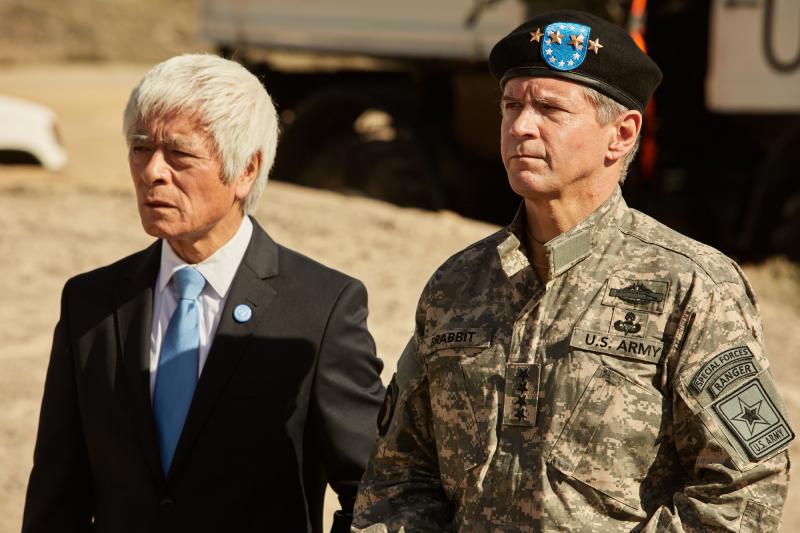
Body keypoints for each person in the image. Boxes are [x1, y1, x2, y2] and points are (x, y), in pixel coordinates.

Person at [353, 10, 792, 532]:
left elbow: (746, 485)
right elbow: (400, 473)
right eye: (511, 105)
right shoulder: (457, 285)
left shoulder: (691, 286)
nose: (520, 126)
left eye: (549, 109)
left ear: (621, 134)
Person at [22, 54, 385, 533]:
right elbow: (57, 492)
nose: (153, 171)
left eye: (179, 154)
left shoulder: (320, 307)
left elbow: (377, 488)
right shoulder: (91, 303)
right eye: (140, 148)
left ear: (246, 171)